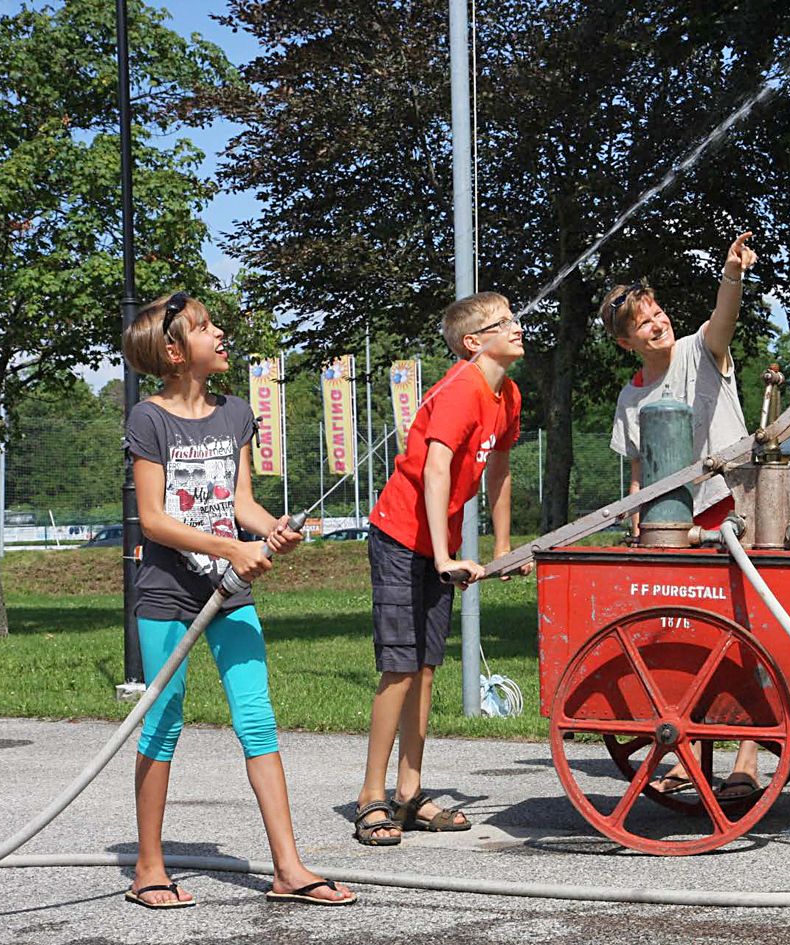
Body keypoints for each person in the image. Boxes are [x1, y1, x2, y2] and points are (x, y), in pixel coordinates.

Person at [122, 292, 356, 908]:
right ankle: (149, 866)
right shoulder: (149, 419)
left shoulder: (235, 414)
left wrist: (270, 529)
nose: (220, 333)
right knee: (163, 723)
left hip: (231, 595)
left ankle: (288, 867)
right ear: (174, 353)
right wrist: (230, 550)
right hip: (168, 594)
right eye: (204, 328)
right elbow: (152, 520)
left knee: (257, 719)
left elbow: (240, 503)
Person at [353, 291, 531, 845]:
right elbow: (434, 472)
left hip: (435, 542)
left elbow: (498, 467)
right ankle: (370, 796)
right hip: (402, 538)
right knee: (400, 669)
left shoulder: (508, 394)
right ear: (473, 342)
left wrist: (503, 547)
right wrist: (441, 555)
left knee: (426, 669)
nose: (518, 327)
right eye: (505, 323)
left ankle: (409, 794)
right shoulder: (460, 390)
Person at [603, 232, 765, 803]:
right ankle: (687, 752)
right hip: (675, 524)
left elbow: (724, 316)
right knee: (685, 637)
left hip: (734, 506)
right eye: (643, 322)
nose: (657, 323)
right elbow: (640, 477)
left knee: (744, 632)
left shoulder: (703, 351)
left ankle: (746, 757)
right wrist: (640, 529)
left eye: (658, 311)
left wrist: (732, 274)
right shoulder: (631, 400)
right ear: (626, 342)